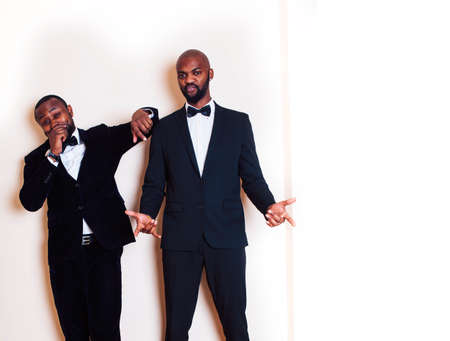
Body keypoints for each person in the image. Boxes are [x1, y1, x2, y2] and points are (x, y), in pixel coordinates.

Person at [126, 49, 296, 340]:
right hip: (180, 240)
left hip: (226, 236)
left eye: (196, 72)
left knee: (235, 325)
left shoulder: (238, 123)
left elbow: (251, 176)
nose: (189, 80)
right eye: (182, 75)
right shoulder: (165, 128)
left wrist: (268, 204)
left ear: (210, 74)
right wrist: (147, 213)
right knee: (176, 328)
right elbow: (155, 181)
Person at [19, 94, 155, 341]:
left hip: (103, 250)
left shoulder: (101, 138)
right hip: (64, 257)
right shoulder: (37, 160)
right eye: (45, 121)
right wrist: (52, 155)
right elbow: (30, 202)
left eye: (56, 113)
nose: (53, 122)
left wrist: (141, 113)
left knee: (107, 332)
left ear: (70, 110)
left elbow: (150, 120)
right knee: (74, 333)